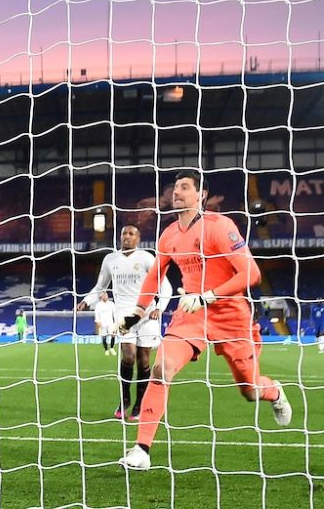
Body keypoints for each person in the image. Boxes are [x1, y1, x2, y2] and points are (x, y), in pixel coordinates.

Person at [118, 170, 292, 471]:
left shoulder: (220, 226)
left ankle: (274, 391)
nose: (177, 192)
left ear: (202, 195)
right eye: (175, 187)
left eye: (185, 187)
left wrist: (207, 296)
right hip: (192, 314)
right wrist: (137, 311)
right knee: (161, 367)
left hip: (230, 316)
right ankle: (141, 450)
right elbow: (154, 276)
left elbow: (252, 274)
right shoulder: (169, 234)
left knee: (249, 390)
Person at [77, 224, 173, 420]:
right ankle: (125, 399)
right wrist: (86, 301)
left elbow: (165, 286)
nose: (127, 237)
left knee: (144, 360)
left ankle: (139, 404)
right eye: (124, 233)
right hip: (123, 317)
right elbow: (100, 286)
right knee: (128, 356)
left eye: (131, 234)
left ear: (138, 238)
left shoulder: (146, 258)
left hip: (146, 315)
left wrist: (159, 307)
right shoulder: (110, 259)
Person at [92, 292, 118, 357]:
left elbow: (114, 313)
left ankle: (111, 348)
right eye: (103, 295)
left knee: (113, 335)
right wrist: (98, 322)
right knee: (104, 337)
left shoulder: (111, 304)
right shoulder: (98, 305)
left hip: (110, 322)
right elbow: (96, 314)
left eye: (106, 295)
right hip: (102, 323)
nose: (105, 296)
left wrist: (116, 322)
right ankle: (106, 350)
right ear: (101, 297)